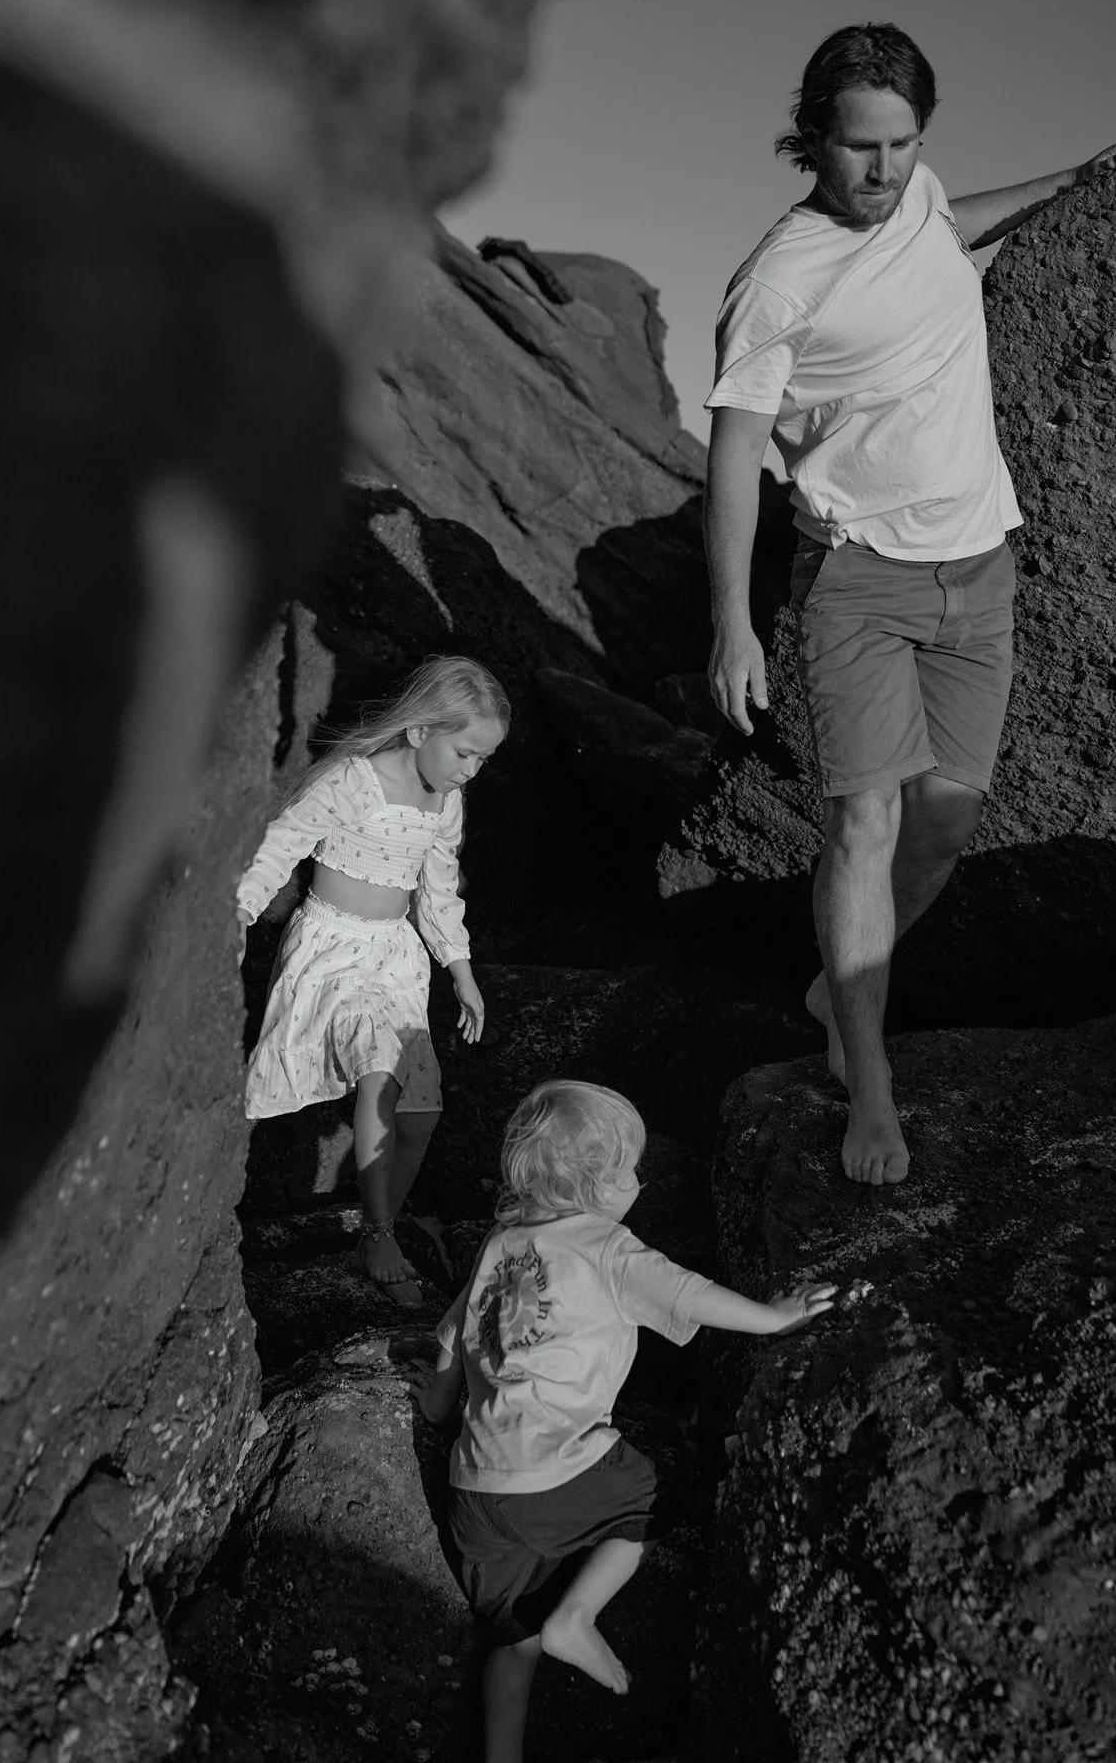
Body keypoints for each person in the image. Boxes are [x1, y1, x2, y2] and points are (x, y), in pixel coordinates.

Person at [704, 20, 1116, 1189]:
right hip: (855, 578)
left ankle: (834, 984)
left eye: (903, 145)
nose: (882, 172)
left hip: (981, 567)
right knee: (863, 827)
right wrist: (729, 622)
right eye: (858, 148)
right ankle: (863, 1074)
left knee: (948, 828)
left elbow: (948, 224)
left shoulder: (916, 198)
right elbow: (733, 453)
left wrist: (1082, 175)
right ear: (811, 136)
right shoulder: (776, 278)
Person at [410, 1079, 835, 1763]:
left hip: (477, 1489)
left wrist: (435, 1407)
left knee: (510, 1641)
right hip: (556, 1478)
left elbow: (450, 1335)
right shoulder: (609, 1249)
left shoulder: (500, 1241)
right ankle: (577, 1618)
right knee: (651, 1492)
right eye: (631, 1169)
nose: (639, 1179)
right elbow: (688, 1294)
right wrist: (775, 1317)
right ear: (599, 1186)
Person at [237, 655, 508, 1306]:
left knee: (423, 1112)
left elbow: (438, 894)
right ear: (420, 730)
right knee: (380, 1074)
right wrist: (241, 911)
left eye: (482, 761)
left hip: (396, 961)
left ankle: (372, 1225)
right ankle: (382, 1232)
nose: (470, 771)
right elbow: (284, 841)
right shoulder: (351, 781)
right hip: (335, 954)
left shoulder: (446, 804)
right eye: (464, 753)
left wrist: (461, 973)